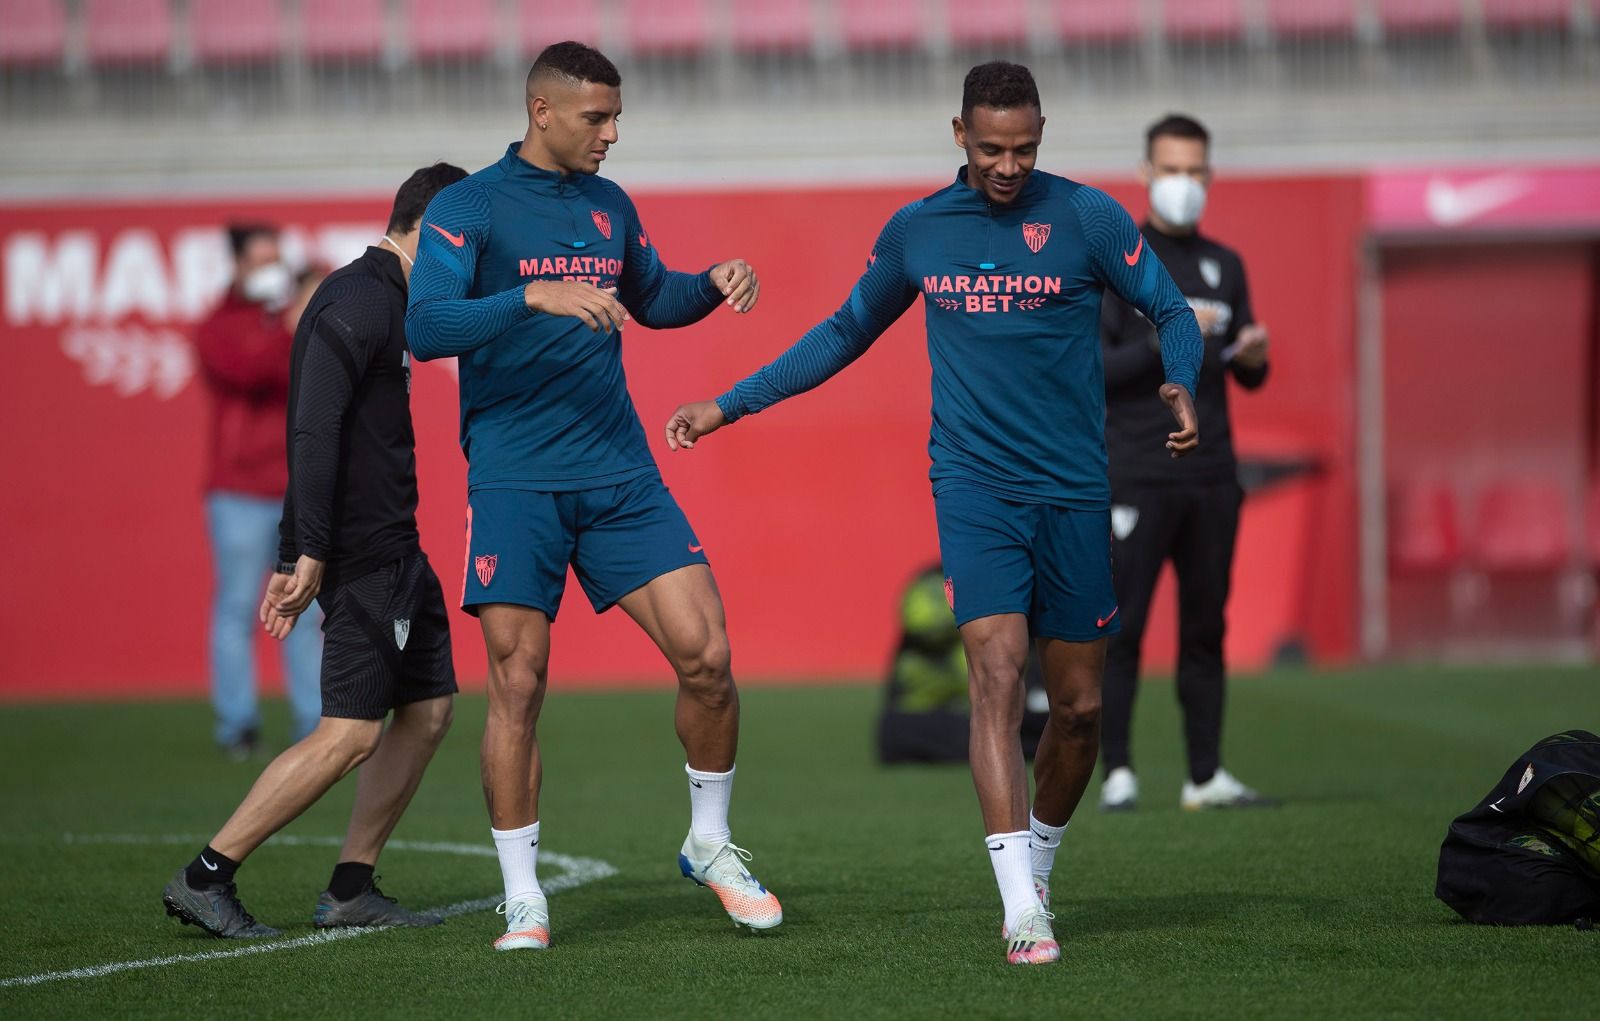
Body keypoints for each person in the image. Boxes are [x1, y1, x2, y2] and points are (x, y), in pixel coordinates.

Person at [663, 62, 1203, 966]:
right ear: (958, 134)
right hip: (974, 489)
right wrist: (730, 403)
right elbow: (841, 333)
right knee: (994, 679)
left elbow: (1171, 309)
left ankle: (1039, 861)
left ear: (1043, 133)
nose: (1007, 164)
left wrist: (1179, 378)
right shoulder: (917, 231)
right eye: (990, 146)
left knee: (1077, 713)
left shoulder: (1089, 218)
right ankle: (1020, 909)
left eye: (1024, 147)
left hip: (1073, 491)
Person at [404, 42, 779, 952]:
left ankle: (711, 842)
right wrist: (530, 298)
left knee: (710, 659)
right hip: (514, 478)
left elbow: (653, 297)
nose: (612, 134)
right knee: (518, 684)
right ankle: (525, 895)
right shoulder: (468, 207)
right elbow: (424, 325)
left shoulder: (613, 205)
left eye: (616, 118)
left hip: (618, 472)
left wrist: (712, 282)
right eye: (595, 119)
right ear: (542, 111)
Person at [162, 164, 468, 939]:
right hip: (366, 552)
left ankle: (351, 885)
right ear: (432, 231)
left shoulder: (391, 300)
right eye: (467, 239)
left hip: (399, 545)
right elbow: (313, 432)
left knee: (428, 712)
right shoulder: (359, 300)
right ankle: (207, 874)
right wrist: (307, 551)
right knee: (351, 732)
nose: (472, 257)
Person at [1097, 114, 1276, 813]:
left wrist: (1254, 357)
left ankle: (1206, 773)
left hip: (1212, 474)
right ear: (1145, 174)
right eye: (1171, 169)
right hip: (1136, 469)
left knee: (1207, 626)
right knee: (1125, 626)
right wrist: (1166, 335)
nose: (1184, 184)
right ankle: (1118, 772)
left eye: (1195, 170)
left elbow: (1245, 368)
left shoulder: (1224, 265)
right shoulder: (1119, 261)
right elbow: (1096, 369)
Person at [195, 224, 323, 757]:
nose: (273, 270)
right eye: (262, 260)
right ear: (239, 266)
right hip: (240, 492)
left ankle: (316, 723)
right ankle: (238, 723)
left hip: (295, 488)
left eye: (279, 259)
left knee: (307, 607)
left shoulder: (295, 315)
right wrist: (289, 326)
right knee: (239, 606)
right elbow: (251, 370)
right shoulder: (219, 326)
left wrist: (305, 301)